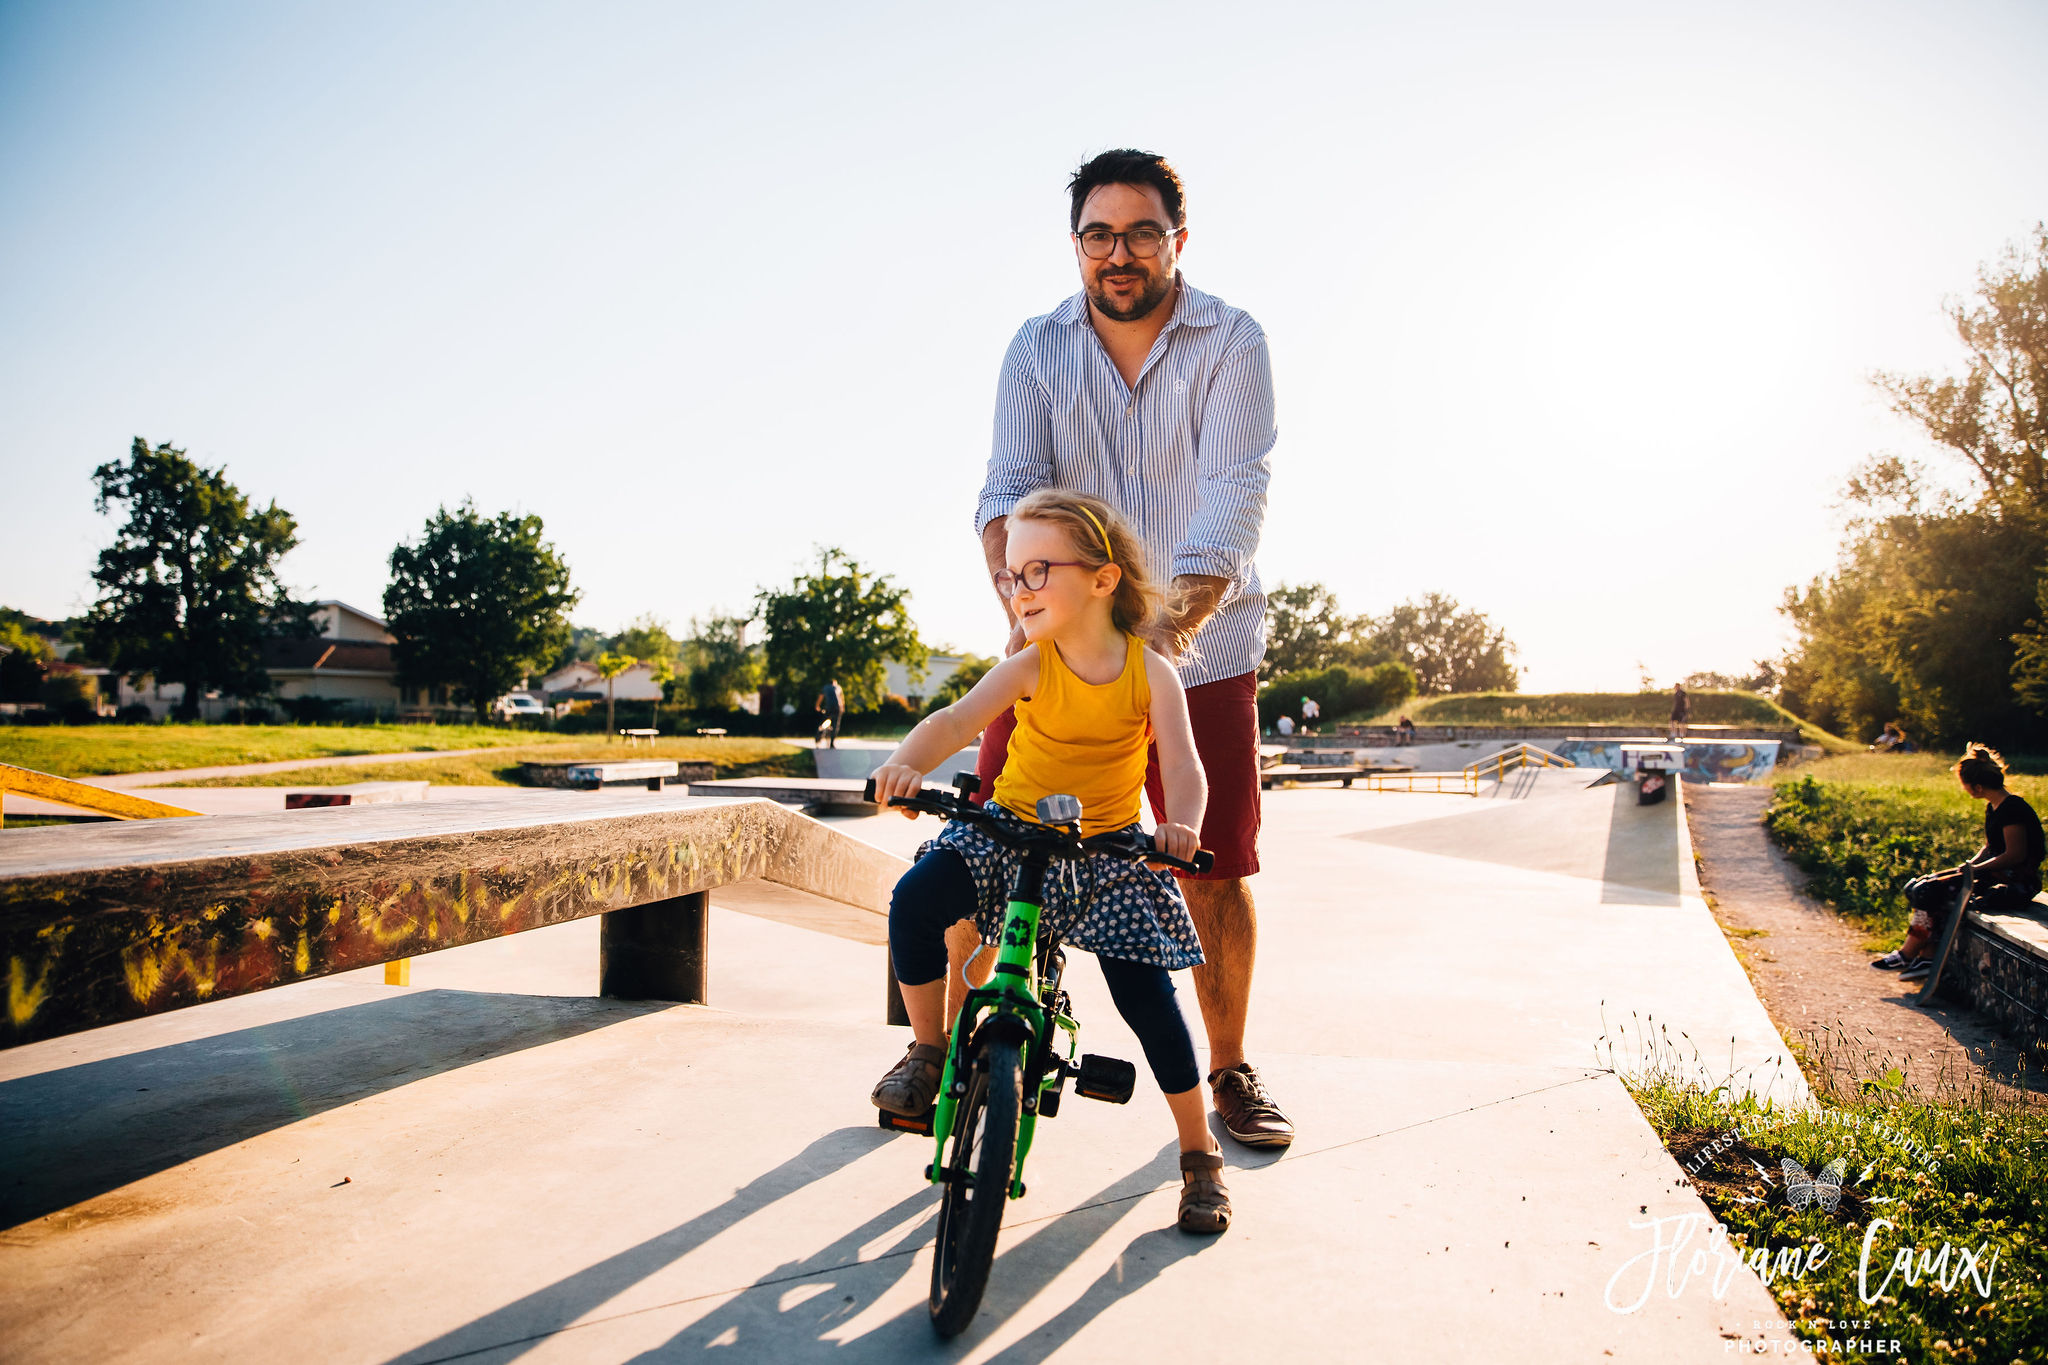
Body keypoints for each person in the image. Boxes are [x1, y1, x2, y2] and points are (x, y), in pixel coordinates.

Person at [972, 149, 1288, 1149]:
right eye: (1098, 235)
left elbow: (1228, 510)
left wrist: (1139, 649)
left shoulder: (1231, 342)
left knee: (1211, 871)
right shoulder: (1036, 348)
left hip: (1200, 654)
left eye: (1140, 232)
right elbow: (1005, 495)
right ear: (1076, 246)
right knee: (979, 847)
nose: (1119, 253)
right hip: (1056, 659)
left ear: (1175, 241)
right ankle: (952, 1048)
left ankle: (1228, 1071)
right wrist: (1037, 614)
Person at [868, 490, 1230, 1234]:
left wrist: (1182, 824)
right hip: (1009, 834)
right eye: (1009, 576)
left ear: (1103, 579)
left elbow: (1185, 767)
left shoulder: (1148, 672)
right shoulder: (1031, 664)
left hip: (1107, 852)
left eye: (1037, 571)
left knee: (1147, 998)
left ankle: (1199, 1154)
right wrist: (903, 765)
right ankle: (929, 1052)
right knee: (916, 898)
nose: (1018, 589)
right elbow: (955, 720)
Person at [1873, 744, 2044, 981]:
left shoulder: (2013, 808)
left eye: (1964, 784)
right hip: (1994, 875)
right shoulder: (1995, 807)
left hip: (2015, 883)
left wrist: (1975, 870)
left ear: (1977, 786)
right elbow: (1990, 848)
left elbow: (2015, 855)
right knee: (1918, 886)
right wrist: (1968, 866)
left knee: (1928, 891)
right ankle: (1925, 955)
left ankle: (1912, 954)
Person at [815, 678, 844, 748]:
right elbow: (841, 698)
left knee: (823, 722)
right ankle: (832, 742)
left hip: (828, 708)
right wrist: (842, 708)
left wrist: (817, 706)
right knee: (836, 725)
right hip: (838, 708)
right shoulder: (838, 687)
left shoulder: (825, 687)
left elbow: (820, 697)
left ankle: (818, 737)